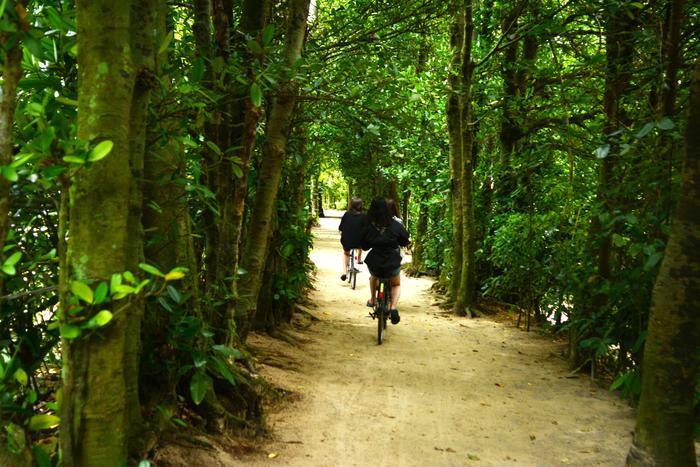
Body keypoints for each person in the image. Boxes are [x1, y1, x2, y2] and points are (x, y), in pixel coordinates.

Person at [361, 197, 410, 324]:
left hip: (375, 262)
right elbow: (405, 240)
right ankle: (393, 307)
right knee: (396, 284)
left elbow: (365, 246)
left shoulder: (369, 225)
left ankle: (372, 299)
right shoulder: (395, 225)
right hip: (392, 261)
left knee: (373, 276)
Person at [339, 197, 366, 281]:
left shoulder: (346, 214)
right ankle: (358, 259)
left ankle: (344, 272)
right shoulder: (364, 216)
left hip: (347, 241)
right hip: (359, 242)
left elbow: (340, 227)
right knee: (360, 244)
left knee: (346, 253)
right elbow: (367, 229)